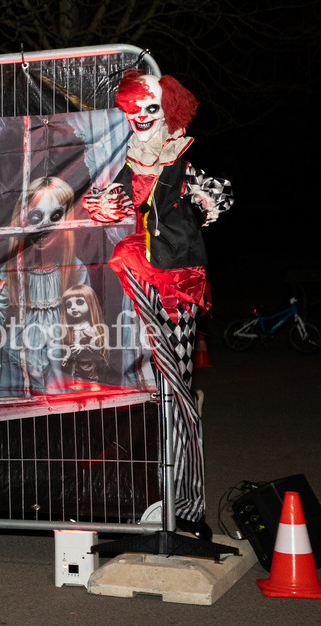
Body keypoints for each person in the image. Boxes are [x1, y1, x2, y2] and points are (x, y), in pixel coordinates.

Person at [82, 69, 233, 528]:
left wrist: (209, 199)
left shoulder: (179, 158)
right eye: (131, 111)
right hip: (137, 277)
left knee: (177, 385)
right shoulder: (130, 163)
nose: (140, 119)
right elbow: (107, 201)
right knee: (151, 383)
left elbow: (219, 193)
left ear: (168, 110)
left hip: (176, 278)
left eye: (149, 109)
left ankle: (185, 503)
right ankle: (158, 497)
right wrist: (104, 204)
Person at [0, 176, 88, 395]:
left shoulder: (75, 269)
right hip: (16, 361)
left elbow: (83, 319)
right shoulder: (12, 270)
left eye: (55, 216)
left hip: (59, 361)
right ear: (22, 219)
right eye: (35, 216)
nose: (44, 225)